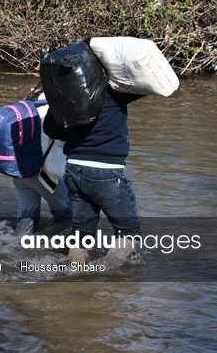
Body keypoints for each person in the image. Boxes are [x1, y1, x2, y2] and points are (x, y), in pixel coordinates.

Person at [43, 87, 143, 261]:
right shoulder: (113, 92)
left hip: (74, 168)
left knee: (81, 234)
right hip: (107, 169)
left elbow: (51, 130)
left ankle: (74, 273)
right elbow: (149, 82)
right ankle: (111, 275)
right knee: (127, 232)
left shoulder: (65, 92)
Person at [12, 85, 72, 235]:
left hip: (19, 169)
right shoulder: (58, 107)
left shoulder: (29, 102)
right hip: (43, 173)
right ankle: (57, 246)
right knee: (68, 214)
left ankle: (15, 247)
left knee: (26, 220)